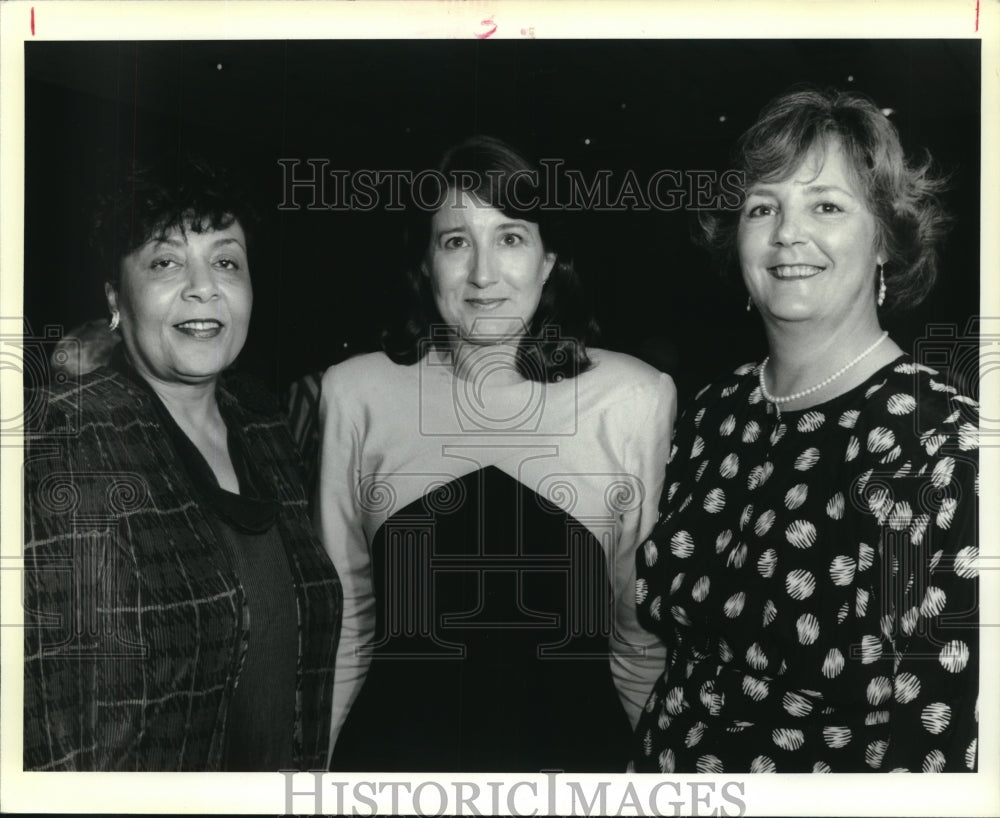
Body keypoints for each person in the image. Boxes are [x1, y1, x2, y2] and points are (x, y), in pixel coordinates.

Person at [630, 87, 978, 773]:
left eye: (826, 205)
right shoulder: (717, 407)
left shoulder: (938, 446)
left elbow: (936, 731)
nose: (788, 233)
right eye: (764, 208)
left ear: (886, 240)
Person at [317, 136, 676, 772]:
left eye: (510, 237)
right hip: (394, 770)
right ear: (425, 264)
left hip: (574, 771)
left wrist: (644, 778)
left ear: (549, 261)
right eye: (455, 241)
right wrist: (321, 770)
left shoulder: (635, 396)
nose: (483, 274)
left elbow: (636, 631)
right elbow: (349, 621)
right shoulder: (355, 391)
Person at [22, 160, 342, 771]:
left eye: (226, 262)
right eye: (165, 263)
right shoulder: (65, 443)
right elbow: (54, 718)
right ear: (116, 297)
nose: (204, 287)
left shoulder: (263, 422)